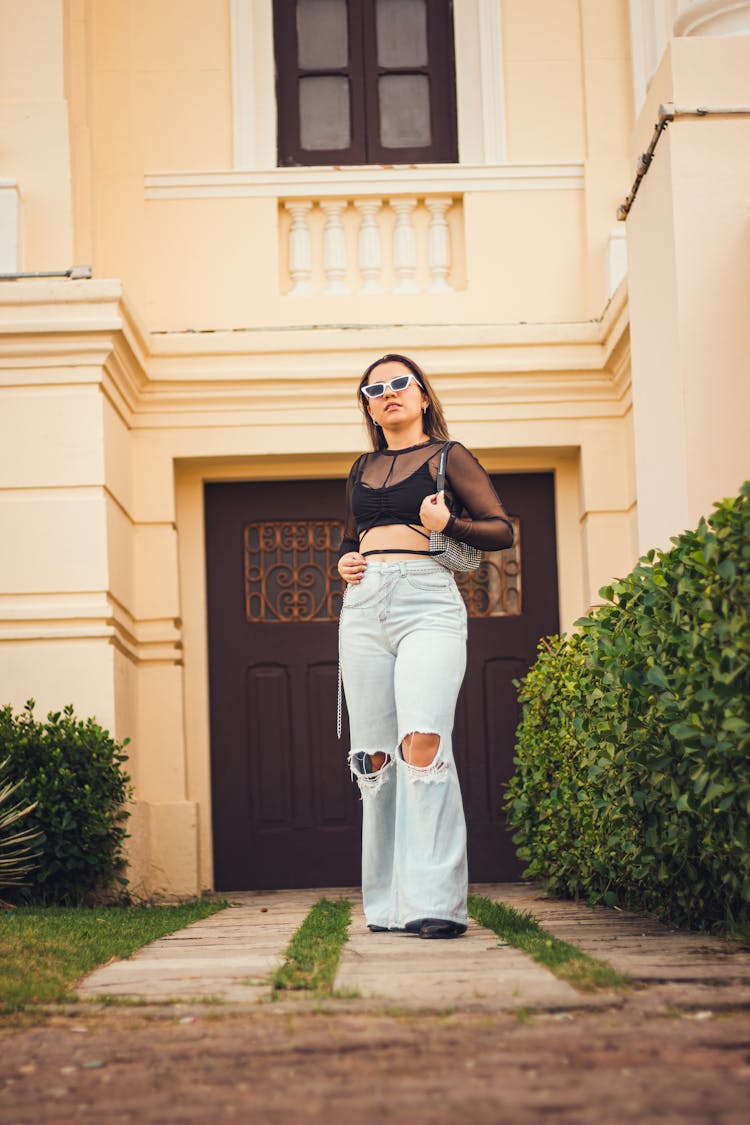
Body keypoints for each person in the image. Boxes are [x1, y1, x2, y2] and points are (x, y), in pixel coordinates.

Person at [337, 354, 514, 939]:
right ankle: (387, 905)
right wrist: (345, 559)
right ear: (367, 404)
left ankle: (436, 901)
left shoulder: (448, 457)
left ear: (422, 397)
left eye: (398, 384)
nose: (387, 394)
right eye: (375, 388)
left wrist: (448, 526)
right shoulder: (361, 467)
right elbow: (351, 537)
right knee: (375, 759)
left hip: (427, 604)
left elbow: (500, 529)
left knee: (423, 742)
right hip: (364, 610)